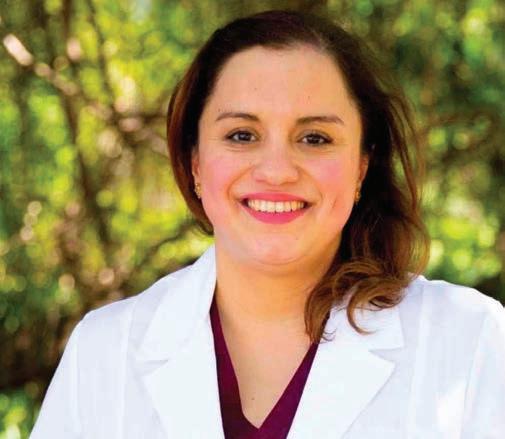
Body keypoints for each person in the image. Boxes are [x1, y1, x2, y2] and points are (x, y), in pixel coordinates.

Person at [30, 9, 505, 439]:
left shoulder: (470, 342)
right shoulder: (104, 353)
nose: (276, 171)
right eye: (242, 135)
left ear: (361, 167)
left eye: (315, 138)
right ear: (195, 163)